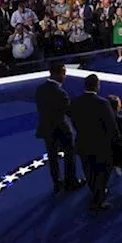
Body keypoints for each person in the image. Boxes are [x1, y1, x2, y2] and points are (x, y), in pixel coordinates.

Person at [68, 73, 118, 211]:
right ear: (97, 85)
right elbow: (111, 126)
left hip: (83, 143)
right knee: (103, 170)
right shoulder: (103, 103)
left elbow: (72, 119)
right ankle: (99, 198)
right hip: (101, 145)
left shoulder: (75, 102)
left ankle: (95, 192)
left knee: (88, 169)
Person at [35, 61, 80, 193]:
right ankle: (70, 181)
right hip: (61, 128)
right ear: (57, 73)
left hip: (46, 128)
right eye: (64, 73)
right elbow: (69, 112)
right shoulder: (60, 93)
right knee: (69, 154)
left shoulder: (40, 89)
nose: (65, 77)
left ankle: (57, 183)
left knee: (52, 157)